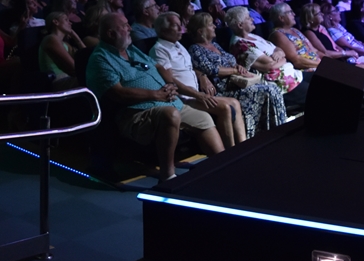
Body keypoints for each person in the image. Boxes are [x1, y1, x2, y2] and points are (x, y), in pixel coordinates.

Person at [85, 12, 223, 182]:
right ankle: (168, 176)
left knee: (203, 117)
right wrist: (156, 94)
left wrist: (170, 84)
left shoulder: (131, 50)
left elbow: (158, 66)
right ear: (111, 33)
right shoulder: (101, 59)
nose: (130, 28)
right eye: (125, 26)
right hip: (136, 113)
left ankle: (222, 166)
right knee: (170, 114)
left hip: (169, 102)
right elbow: (117, 93)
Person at [151, 11, 244, 148]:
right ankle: (231, 152)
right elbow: (170, 80)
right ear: (164, 30)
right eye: (175, 26)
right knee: (224, 108)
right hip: (183, 98)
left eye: (180, 25)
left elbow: (190, 68)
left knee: (234, 103)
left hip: (195, 94)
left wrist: (202, 76)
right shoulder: (159, 50)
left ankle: (243, 146)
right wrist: (198, 95)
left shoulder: (178, 45)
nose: (181, 28)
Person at [186, 11, 287, 137]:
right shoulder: (195, 49)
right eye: (211, 25)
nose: (215, 26)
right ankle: (267, 134)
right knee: (269, 90)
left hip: (236, 83)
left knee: (273, 88)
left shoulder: (215, 45)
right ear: (201, 31)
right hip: (224, 89)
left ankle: (276, 130)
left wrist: (236, 66)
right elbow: (212, 69)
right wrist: (234, 70)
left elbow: (229, 61)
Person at [226, 6, 305, 99]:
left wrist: (279, 53)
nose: (252, 19)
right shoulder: (240, 45)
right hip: (281, 84)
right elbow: (270, 66)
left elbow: (278, 49)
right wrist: (283, 58)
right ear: (240, 25)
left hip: (292, 73)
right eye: (248, 18)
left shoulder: (252, 36)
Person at [297, 4, 364, 87]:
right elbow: (325, 53)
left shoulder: (321, 27)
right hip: (329, 64)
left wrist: (347, 55)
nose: (322, 14)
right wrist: (346, 53)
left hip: (338, 58)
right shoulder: (309, 33)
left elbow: (334, 45)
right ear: (310, 18)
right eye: (318, 13)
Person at [38, 12, 85, 90]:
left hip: (69, 78)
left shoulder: (65, 44)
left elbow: (87, 56)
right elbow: (73, 68)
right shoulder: (50, 39)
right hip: (59, 81)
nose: (70, 23)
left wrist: (76, 37)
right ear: (56, 22)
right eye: (66, 20)